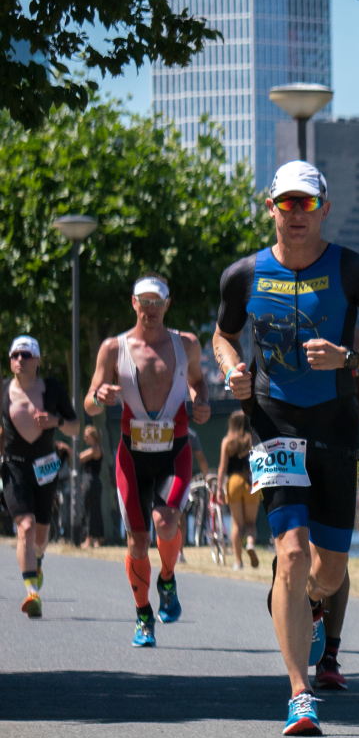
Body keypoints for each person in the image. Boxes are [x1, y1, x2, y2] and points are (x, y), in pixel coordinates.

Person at [212, 159, 359, 735]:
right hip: (272, 422)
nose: (297, 214)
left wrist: (347, 359)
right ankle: (299, 692)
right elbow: (222, 333)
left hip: (337, 426)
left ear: (324, 208)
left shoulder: (354, 270)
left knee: (330, 571)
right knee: (291, 554)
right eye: (286, 204)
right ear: (271, 209)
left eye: (307, 203)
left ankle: (310, 601)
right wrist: (231, 371)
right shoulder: (242, 275)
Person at [85, 277, 211, 647]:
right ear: (134, 303)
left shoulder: (185, 343)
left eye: (157, 301)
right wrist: (100, 395)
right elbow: (90, 401)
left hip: (175, 451)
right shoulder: (114, 348)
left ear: (167, 304)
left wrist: (200, 403)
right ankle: (143, 616)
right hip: (132, 458)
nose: (151, 308)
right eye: (144, 301)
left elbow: (199, 383)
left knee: (166, 522)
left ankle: (167, 579)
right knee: (138, 542)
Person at [313, 327, 359, 691]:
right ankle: (304, 641)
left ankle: (329, 656)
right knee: (291, 554)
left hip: (342, 451)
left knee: (335, 558)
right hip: (289, 449)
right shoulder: (279, 312)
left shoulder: (356, 338)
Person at [3, 336, 79, 618]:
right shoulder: (3, 390)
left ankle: (38, 560)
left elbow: (75, 427)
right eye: (14, 355)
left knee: (41, 535)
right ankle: (32, 592)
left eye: (25, 354)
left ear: (37, 360)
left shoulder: (52, 388)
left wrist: (55, 421)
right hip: (13, 467)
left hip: (45, 467)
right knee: (26, 525)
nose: (19, 359)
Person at [217, 411, 260, 570]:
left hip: (233, 482)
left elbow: (222, 467)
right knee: (250, 523)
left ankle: (238, 561)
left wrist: (219, 489)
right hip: (251, 483)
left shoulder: (227, 442)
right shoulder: (252, 439)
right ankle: (250, 543)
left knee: (236, 523)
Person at [78, 424, 105, 548]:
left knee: (89, 510)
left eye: (87, 436)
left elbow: (79, 458)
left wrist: (68, 449)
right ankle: (99, 538)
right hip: (93, 481)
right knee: (95, 510)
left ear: (93, 437)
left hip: (91, 481)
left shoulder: (95, 449)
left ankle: (89, 539)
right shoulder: (96, 448)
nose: (85, 438)